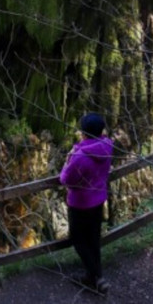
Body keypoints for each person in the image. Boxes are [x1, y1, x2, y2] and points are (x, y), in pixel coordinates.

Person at [60, 112, 113, 294]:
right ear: (101, 131)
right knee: (93, 238)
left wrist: (67, 162)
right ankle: (93, 277)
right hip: (98, 199)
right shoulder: (107, 146)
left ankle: (96, 275)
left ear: (83, 132)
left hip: (80, 204)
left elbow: (66, 179)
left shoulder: (80, 156)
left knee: (78, 238)